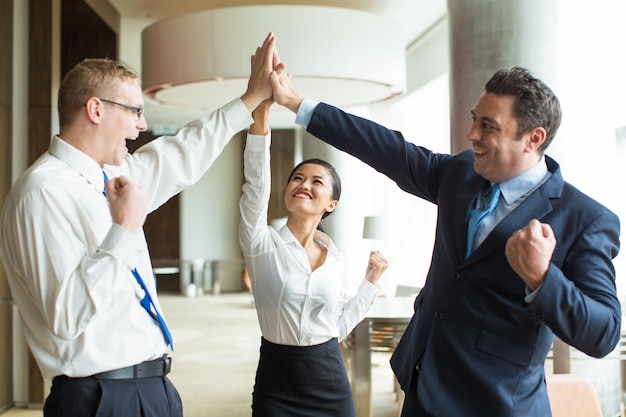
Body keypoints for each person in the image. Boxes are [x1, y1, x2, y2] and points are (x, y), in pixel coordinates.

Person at [270, 66, 622, 416]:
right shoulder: (460, 173)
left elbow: (603, 333)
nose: (472, 134)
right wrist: (297, 103)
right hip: (424, 386)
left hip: (495, 405)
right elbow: (387, 149)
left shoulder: (584, 219)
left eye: (489, 126)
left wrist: (542, 278)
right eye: (474, 119)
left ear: (534, 138)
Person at [0, 32, 279, 417]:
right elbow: (65, 316)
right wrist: (124, 229)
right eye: (134, 111)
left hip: (152, 388)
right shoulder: (42, 192)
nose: (142, 125)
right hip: (100, 399)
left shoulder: (112, 175)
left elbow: (184, 153)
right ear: (95, 110)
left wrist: (250, 99)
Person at [238, 98, 389, 417]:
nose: (303, 184)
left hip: (328, 378)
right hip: (277, 381)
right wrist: (261, 116)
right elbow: (255, 186)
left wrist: (370, 284)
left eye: (316, 181)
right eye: (297, 178)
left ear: (331, 204)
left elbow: (338, 325)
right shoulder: (261, 244)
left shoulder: (336, 260)